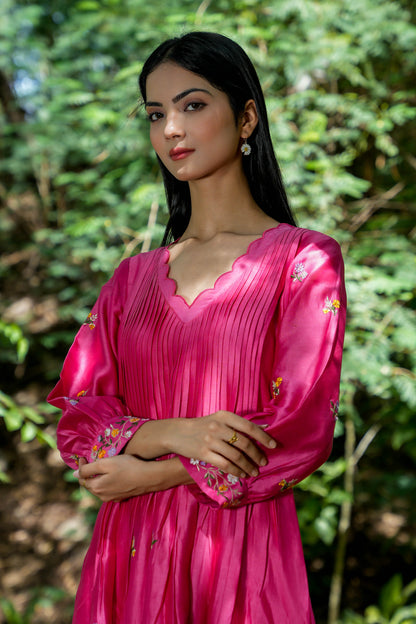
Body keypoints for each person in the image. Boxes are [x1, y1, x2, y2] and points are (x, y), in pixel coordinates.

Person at [48, 31, 346, 624]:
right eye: (156, 114)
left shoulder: (303, 261)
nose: (171, 131)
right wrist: (177, 434)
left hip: (241, 546)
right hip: (128, 554)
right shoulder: (130, 280)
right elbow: (80, 418)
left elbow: (299, 427)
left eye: (192, 104)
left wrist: (151, 474)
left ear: (246, 118)